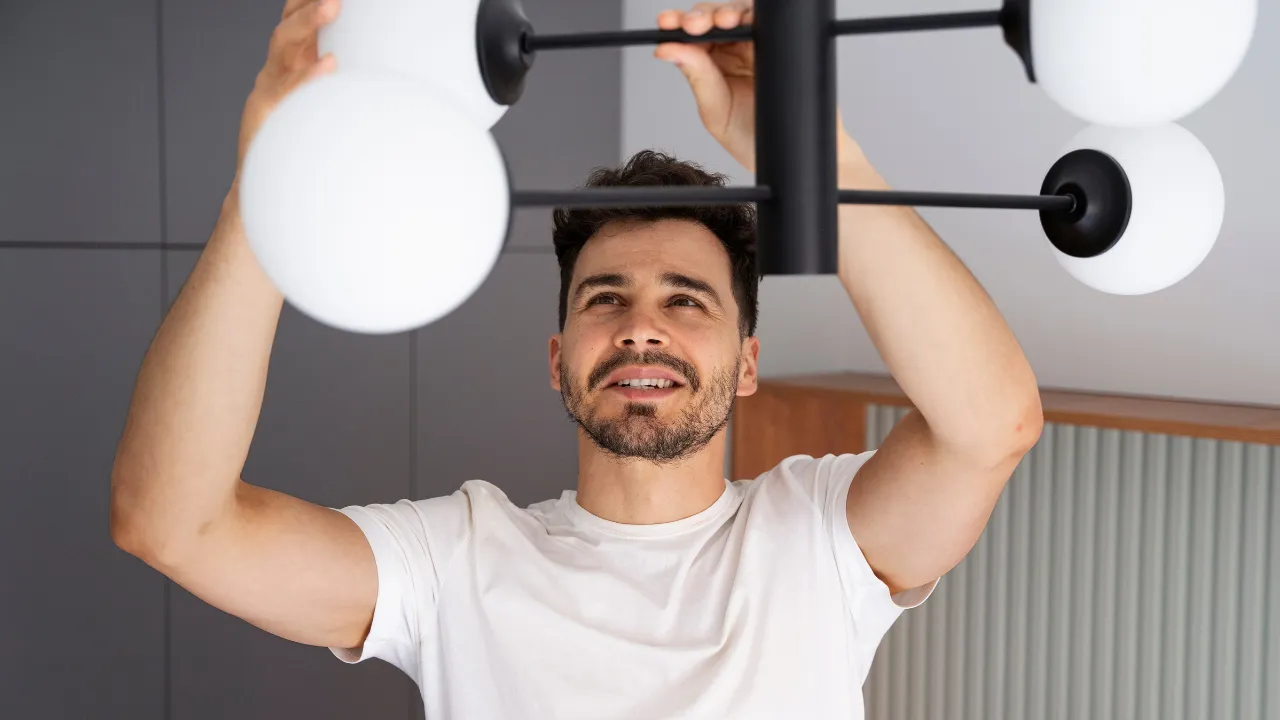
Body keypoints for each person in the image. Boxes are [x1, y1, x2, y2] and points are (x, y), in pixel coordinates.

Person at [109, 0, 1043, 717]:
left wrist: (802, 145)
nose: (643, 327)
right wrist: (263, 192)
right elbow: (173, 523)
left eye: (687, 299)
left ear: (748, 362)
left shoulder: (822, 538)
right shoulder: (455, 562)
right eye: (608, 300)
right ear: (558, 361)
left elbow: (989, 427)